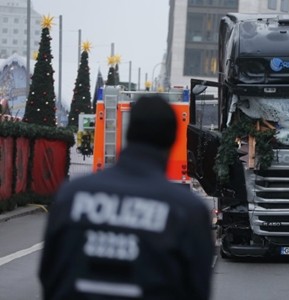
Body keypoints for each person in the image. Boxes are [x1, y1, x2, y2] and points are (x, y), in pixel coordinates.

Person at [39, 95, 214, 300]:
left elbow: (49, 275)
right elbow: (197, 289)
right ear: (174, 139)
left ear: (128, 133)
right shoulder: (187, 211)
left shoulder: (70, 196)